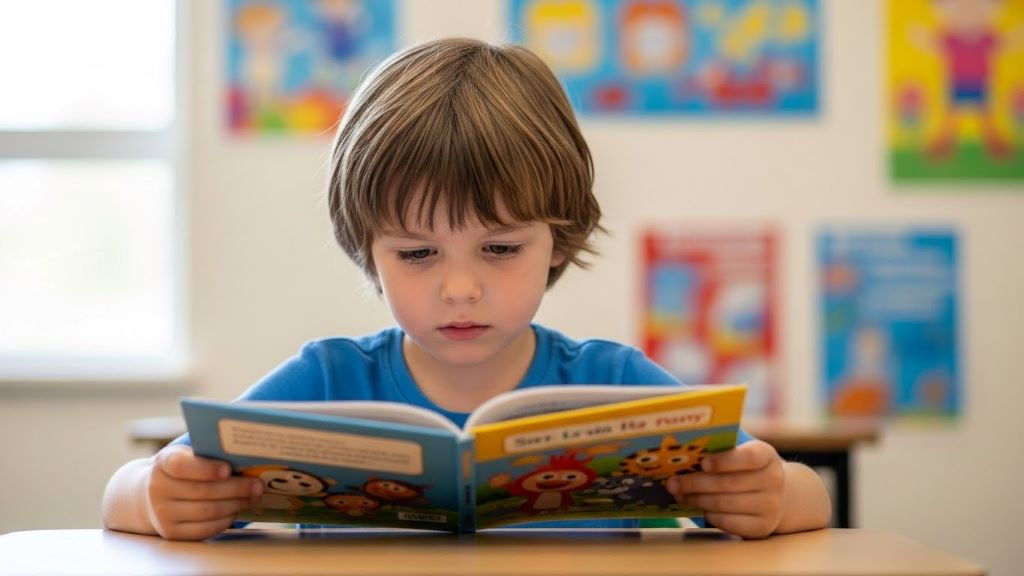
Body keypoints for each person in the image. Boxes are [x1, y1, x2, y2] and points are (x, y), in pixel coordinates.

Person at [101, 37, 831, 541]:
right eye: (417, 252)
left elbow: (811, 499)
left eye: (501, 248)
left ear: (560, 234)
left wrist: (771, 496)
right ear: (368, 247)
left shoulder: (617, 384)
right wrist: (157, 495)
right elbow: (128, 495)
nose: (459, 288)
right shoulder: (325, 378)